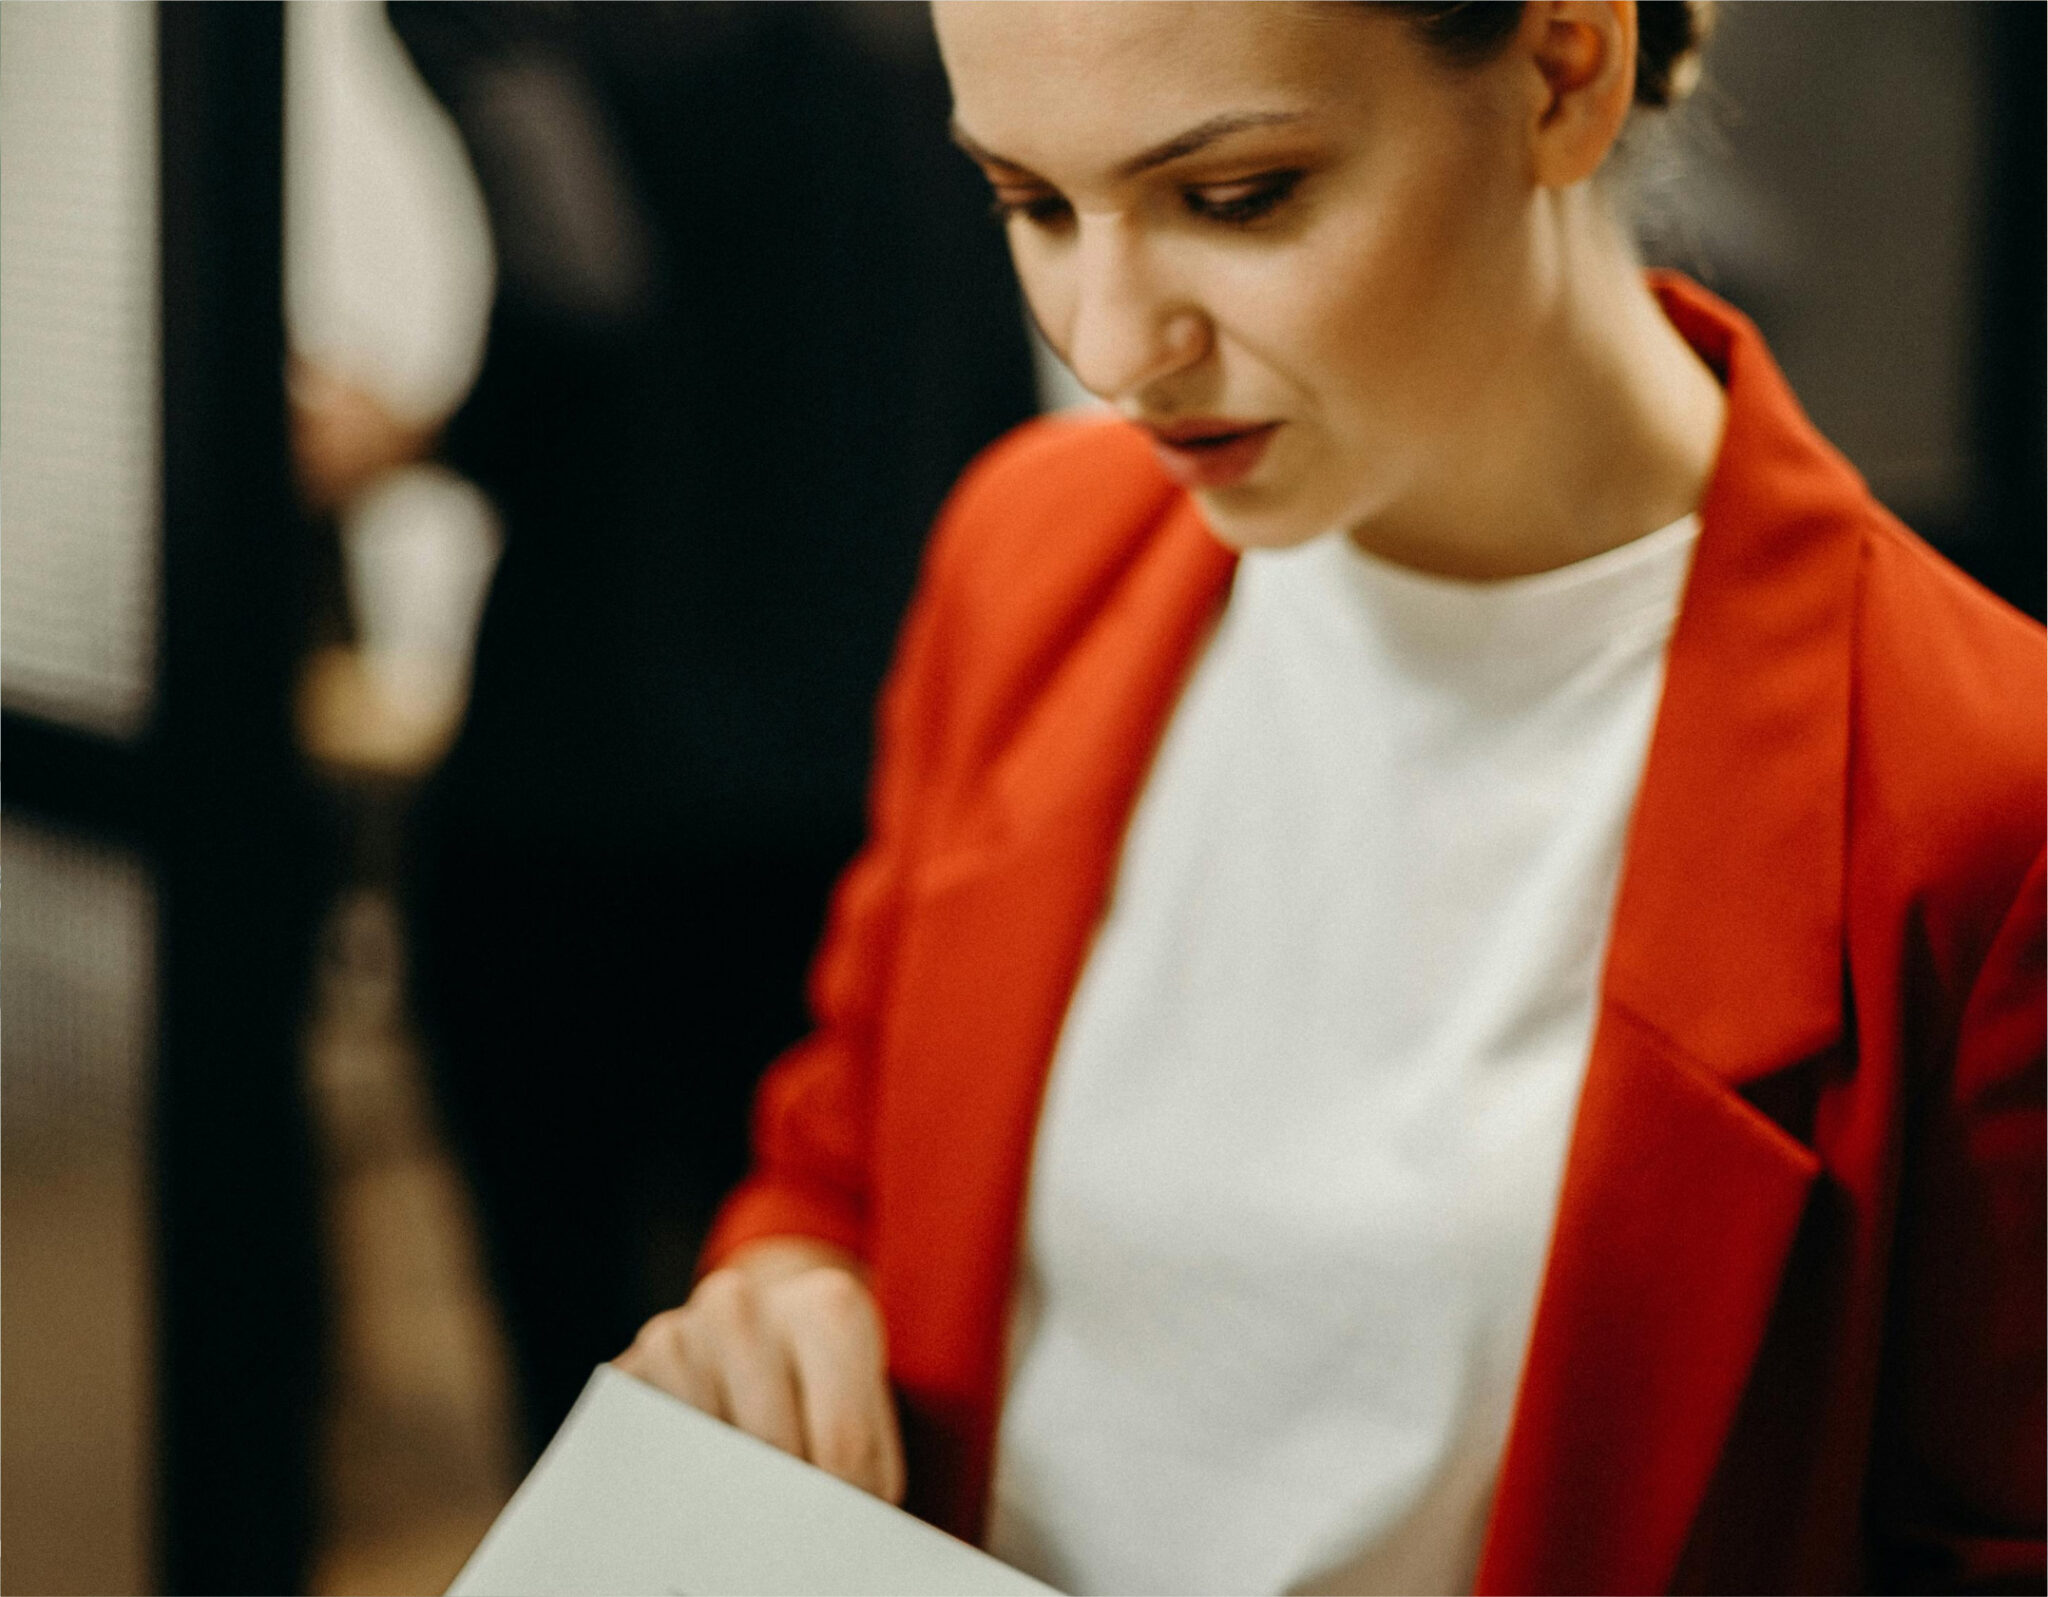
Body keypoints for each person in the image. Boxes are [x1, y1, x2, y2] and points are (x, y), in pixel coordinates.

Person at [616, 4, 2046, 1593]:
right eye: (1033, 203)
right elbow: (845, 1155)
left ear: (1565, 71)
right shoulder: (1028, 554)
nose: (1108, 346)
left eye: (1238, 198)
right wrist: (784, 1295)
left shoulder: (1974, 796)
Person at [381, 2, 1038, 1461]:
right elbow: (994, 407)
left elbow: (581, 294)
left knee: (591, 1380)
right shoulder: (931, 34)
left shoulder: (511, 15)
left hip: (586, 786)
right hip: (864, 801)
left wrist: (419, 437)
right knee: (820, 1392)